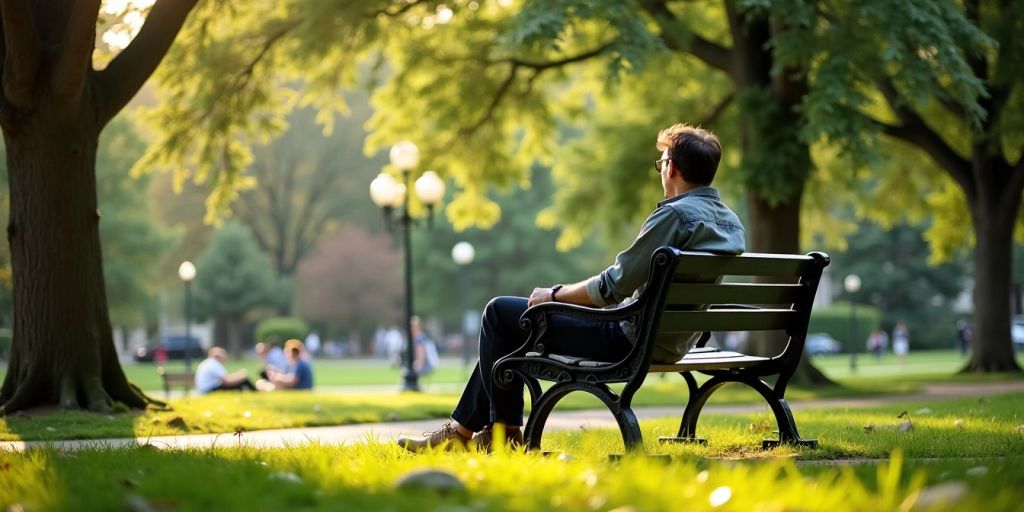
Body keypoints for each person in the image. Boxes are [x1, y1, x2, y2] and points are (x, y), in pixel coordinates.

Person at [397, 123, 745, 453]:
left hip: (629, 341)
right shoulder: (731, 223)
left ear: (671, 169)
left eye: (661, 162)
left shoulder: (674, 216)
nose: (660, 170)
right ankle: (473, 433)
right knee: (509, 328)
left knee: (500, 313)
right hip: (674, 343)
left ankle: (494, 435)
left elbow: (613, 288)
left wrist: (553, 296)